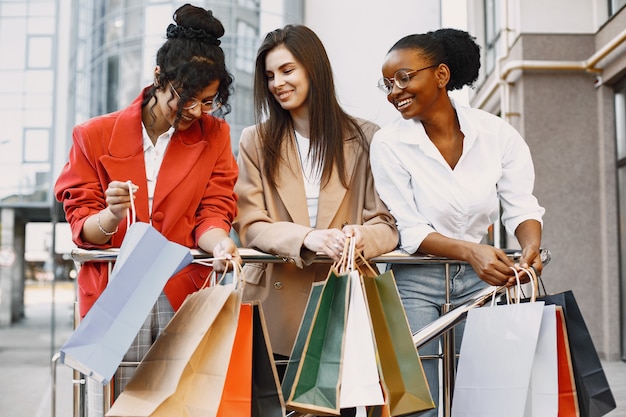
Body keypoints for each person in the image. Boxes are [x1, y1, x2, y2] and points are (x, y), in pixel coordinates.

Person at [54, 4, 240, 414]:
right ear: (159, 78)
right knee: (119, 406)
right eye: (185, 99)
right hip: (115, 298)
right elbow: (82, 225)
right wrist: (111, 216)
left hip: (182, 294)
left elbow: (214, 209)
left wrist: (221, 243)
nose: (195, 112)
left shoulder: (215, 136)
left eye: (207, 102)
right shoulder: (94, 136)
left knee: (183, 405)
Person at [369, 28, 545, 416]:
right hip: (414, 281)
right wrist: (472, 251)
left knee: (485, 398)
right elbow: (409, 228)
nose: (394, 91)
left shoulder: (496, 133)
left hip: (483, 281)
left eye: (404, 77)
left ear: (441, 75)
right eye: (387, 83)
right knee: (417, 403)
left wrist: (530, 247)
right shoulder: (388, 144)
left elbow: (521, 205)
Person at [233, 24, 398, 373]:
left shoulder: (366, 137)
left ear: (314, 69)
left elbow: (385, 222)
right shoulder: (256, 141)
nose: (277, 83)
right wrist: (308, 238)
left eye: (287, 70)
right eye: (270, 75)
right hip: (273, 307)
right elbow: (249, 224)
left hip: (343, 302)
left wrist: (358, 237)